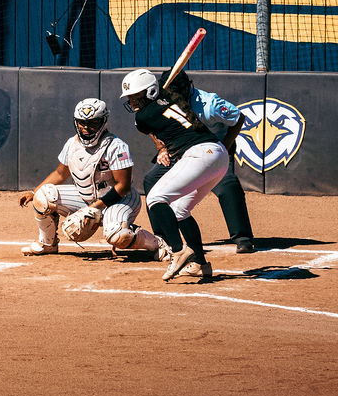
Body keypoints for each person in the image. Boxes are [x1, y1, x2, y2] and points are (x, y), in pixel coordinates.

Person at [17, 98, 172, 261]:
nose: (86, 128)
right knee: (43, 196)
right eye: (82, 123)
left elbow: (123, 186)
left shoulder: (116, 146)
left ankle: (157, 243)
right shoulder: (71, 143)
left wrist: (94, 208)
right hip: (87, 199)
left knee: (116, 236)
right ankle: (48, 244)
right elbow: (60, 174)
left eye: (92, 123)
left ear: (104, 121)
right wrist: (34, 192)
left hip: (119, 200)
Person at [120, 68, 230, 283]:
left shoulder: (144, 116)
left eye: (136, 97)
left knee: (155, 198)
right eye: (130, 98)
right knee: (179, 209)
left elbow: (145, 123)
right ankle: (201, 263)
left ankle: (179, 251)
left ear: (151, 92)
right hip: (218, 155)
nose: (132, 102)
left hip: (199, 154)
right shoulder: (174, 100)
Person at [140, 71, 255, 255]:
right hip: (178, 151)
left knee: (228, 185)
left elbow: (238, 117)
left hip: (211, 151)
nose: (173, 95)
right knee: (151, 179)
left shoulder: (210, 103)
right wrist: (161, 148)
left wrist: (224, 146)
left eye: (177, 91)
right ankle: (162, 239)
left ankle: (243, 238)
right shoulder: (161, 100)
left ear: (188, 87)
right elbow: (147, 124)